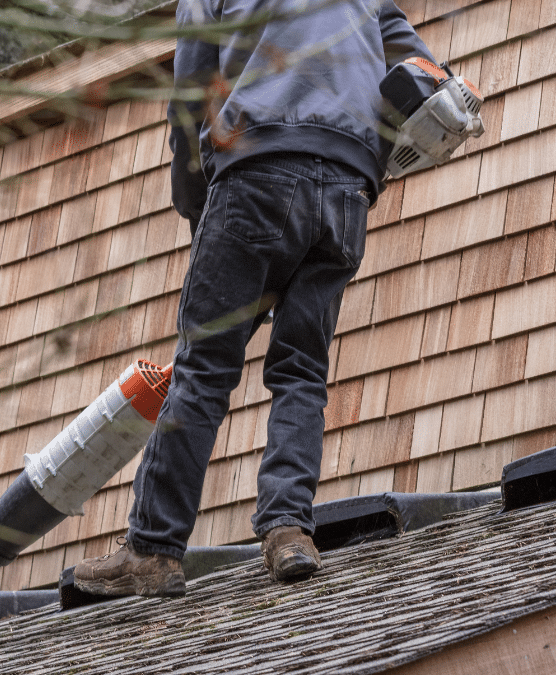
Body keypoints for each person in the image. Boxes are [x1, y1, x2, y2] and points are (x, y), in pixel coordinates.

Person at [73, 0, 438, 597]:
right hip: (348, 189)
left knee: (205, 367)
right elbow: (424, 69)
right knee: (301, 369)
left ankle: (154, 549)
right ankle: (289, 532)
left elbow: (192, 92)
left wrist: (196, 202)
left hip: (256, 169)